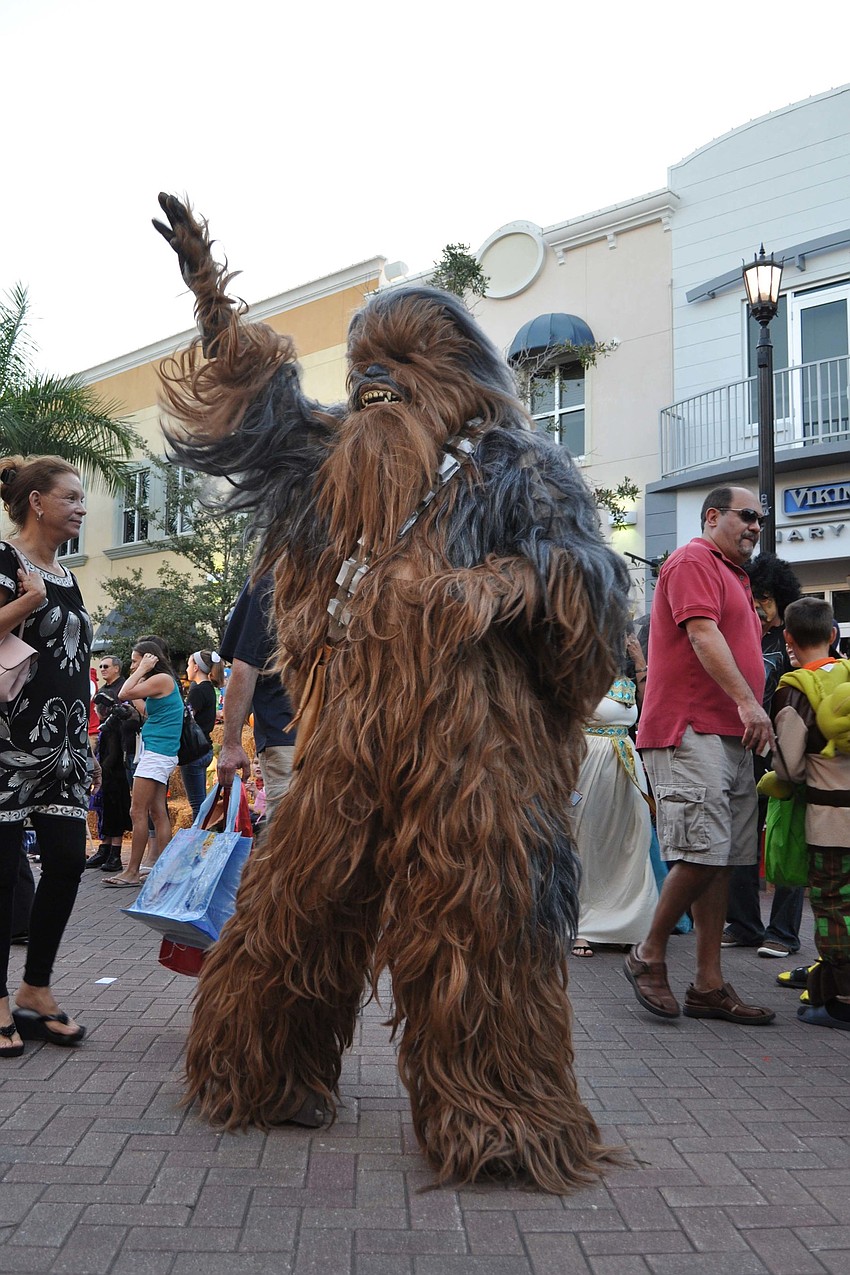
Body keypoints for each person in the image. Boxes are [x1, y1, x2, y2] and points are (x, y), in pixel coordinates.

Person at [625, 485, 775, 1025]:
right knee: (701, 851)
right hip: (689, 729)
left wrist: (748, 713)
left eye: (761, 519)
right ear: (713, 517)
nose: (755, 525)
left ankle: (708, 986)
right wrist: (749, 703)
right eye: (747, 515)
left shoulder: (735, 575)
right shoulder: (694, 560)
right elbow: (702, 635)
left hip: (729, 734)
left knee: (723, 859)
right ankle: (648, 953)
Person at [0, 455, 92, 1053]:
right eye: (72, 498)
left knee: (65, 861)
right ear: (37, 501)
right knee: (2, 872)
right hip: (8, 744)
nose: (82, 508)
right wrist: (26, 603)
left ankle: (35, 988)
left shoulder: (65, 573)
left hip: (65, 747)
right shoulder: (5, 559)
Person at [771, 597, 850, 1031]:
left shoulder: (794, 688)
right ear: (833, 634)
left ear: (788, 637)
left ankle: (842, 1001)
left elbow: (790, 766)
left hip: (830, 822)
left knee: (833, 906)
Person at [723, 553, 804, 958]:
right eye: (753, 596)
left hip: (787, 752)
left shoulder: (793, 637)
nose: (758, 605)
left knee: (786, 839)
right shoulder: (737, 633)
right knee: (739, 840)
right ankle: (744, 925)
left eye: (766, 598)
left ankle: (784, 932)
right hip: (744, 749)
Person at [570, 674, 658, 957]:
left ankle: (626, 925)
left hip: (626, 767)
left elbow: (649, 705)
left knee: (632, 843)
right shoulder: (575, 672)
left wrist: (640, 663)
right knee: (586, 843)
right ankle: (582, 927)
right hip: (587, 764)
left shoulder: (626, 677)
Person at [217, 577, 296, 824]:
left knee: (290, 836)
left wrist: (231, 743)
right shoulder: (353, 574)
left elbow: (245, 665)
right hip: (341, 740)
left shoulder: (272, 577)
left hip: (288, 739)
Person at [105, 640, 183, 887]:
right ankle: (164, 870)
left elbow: (123, 693)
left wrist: (140, 671)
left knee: (136, 811)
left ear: (150, 659)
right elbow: (148, 711)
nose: (132, 666)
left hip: (157, 753)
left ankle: (131, 871)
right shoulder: (163, 682)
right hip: (159, 751)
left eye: (135, 661)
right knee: (157, 812)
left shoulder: (161, 679)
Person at [87, 692, 132, 873]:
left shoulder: (112, 728)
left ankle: (115, 853)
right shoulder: (108, 726)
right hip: (110, 777)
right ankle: (105, 848)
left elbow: (113, 754)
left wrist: (101, 771)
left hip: (113, 778)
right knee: (105, 815)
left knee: (114, 815)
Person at [181, 649, 224, 818]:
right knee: (201, 803)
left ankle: (200, 833)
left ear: (196, 667)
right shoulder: (208, 688)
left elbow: (187, 719)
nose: (186, 669)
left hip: (195, 751)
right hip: (205, 746)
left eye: (189, 664)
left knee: (197, 806)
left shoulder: (198, 691)